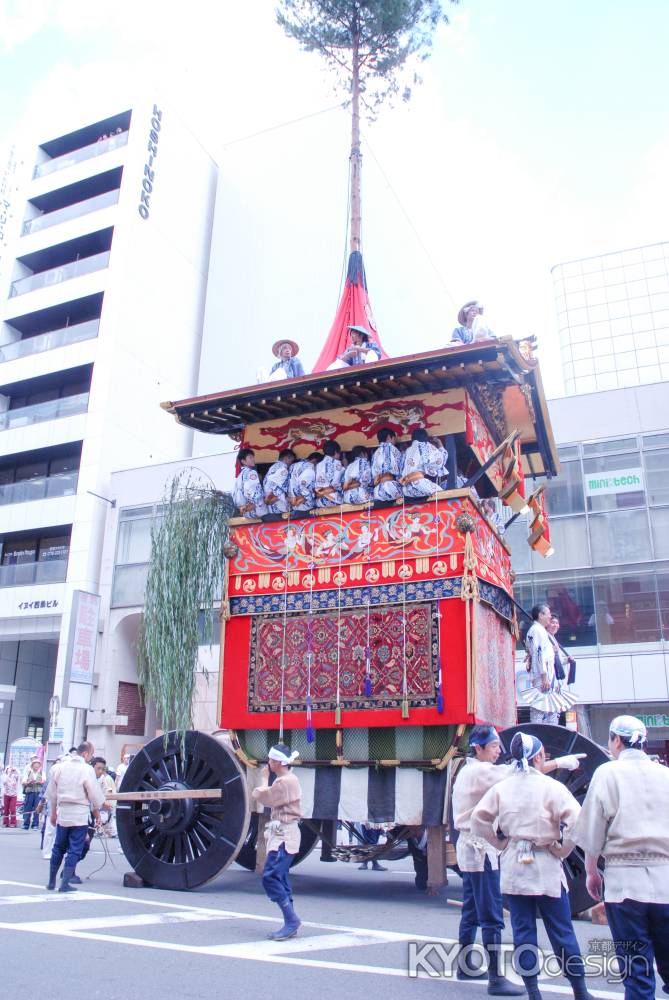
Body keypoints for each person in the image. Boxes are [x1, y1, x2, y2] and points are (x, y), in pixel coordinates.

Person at [453, 725, 584, 994]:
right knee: (500, 918)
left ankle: (473, 968)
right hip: (533, 860)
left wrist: (501, 843)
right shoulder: (484, 772)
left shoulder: (476, 773)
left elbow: (482, 818)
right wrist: (564, 849)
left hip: (508, 860)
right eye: (493, 747)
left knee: (486, 914)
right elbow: (577, 822)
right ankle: (497, 978)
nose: (498, 752)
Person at [574, 715, 669, 1000]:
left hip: (625, 885)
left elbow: (592, 831)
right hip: (665, 882)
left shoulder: (607, 773)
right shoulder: (665, 774)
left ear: (616, 740)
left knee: (636, 971)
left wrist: (592, 872)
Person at [250, 743, 302, 941]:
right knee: (279, 876)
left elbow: (266, 798)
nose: (268, 762)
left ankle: (291, 920)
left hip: (284, 835)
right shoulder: (288, 779)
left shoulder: (284, 782)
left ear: (279, 762)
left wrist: (263, 780)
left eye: (271, 760)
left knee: (270, 876)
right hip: (284, 833)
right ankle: (291, 920)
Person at [46, 740, 105, 892]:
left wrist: (53, 813)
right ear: (85, 753)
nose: (91, 758)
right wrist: (99, 807)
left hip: (63, 811)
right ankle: (65, 883)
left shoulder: (58, 767)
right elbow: (94, 794)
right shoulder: (86, 769)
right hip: (79, 813)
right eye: (91, 755)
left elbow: (52, 793)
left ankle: (51, 881)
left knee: (58, 847)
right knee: (74, 849)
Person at [525, 603, 559, 725]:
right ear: (541, 615)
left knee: (551, 709)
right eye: (548, 614)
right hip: (542, 676)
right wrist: (544, 676)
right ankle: (541, 736)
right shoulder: (537, 630)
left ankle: (549, 734)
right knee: (539, 710)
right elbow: (539, 654)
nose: (550, 616)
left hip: (546, 675)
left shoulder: (538, 630)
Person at [399, 428, 447, 499]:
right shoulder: (425, 446)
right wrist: (439, 444)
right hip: (418, 484)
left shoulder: (406, 451)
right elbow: (440, 460)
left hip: (405, 488)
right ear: (425, 438)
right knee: (443, 494)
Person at [233, 448, 268, 519]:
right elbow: (255, 492)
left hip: (246, 513)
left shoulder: (239, 476)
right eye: (250, 457)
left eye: (253, 457)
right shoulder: (251, 472)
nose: (253, 459)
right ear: (243, 461)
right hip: (256, 511)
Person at [371, 427, 403, 501]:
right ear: (389, 437)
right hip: (391, 487)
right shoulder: (393, 449)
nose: (395, 441)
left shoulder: (375, 454)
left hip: (378, 490)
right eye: (394, 438)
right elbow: (400, 470)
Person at [263, 449, 296, 515]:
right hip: (278, 508)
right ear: (286, 458)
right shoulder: (283, 469)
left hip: (271, 509)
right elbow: (275, 488)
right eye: (291, 461)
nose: (291, 464)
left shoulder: (273, 467)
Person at [315, 441, 344, 507]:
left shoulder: (318, 465)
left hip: (319, 501)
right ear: (336, 452)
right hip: (333, 499)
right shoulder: (337, 464)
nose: (339, 456)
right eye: (339, 453)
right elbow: (337, 485)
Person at [21, 756, 44, 830]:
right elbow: (23, 782)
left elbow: (44, 781)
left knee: (36, 808)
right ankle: (26, 824)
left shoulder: (41, 772)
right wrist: (29, 782)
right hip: (30, 792)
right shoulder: (28, 772)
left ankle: (35, 825)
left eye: (38, 765)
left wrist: (39, 782)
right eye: (35, 764)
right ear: (32, 765)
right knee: (28, 808)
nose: (36, 766)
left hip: (37, 792)